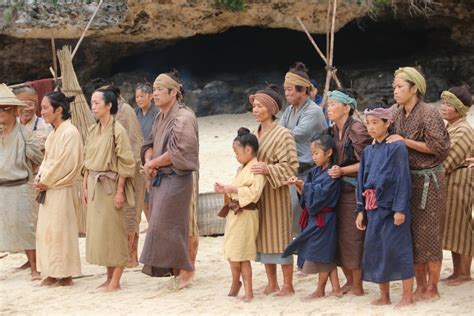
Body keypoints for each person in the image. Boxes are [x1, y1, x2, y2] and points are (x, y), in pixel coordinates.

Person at [388, 66, 450, 300]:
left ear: (414, 89)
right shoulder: (394, 112)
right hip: (405, 180)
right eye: (394, 86)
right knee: (411, 234)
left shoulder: (429, 113)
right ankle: (419, 284)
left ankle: (433, 287)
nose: (395, 91)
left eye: (400, 87)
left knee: (429, 235)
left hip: (428, 181)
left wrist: (405, 141)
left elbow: (440, 148)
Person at [141, 70, 199, 289]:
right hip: (159, 178)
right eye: (153, 90)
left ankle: (186, 269)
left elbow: (179, 151)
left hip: (177, 179)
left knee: (166, 225)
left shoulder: (183, 117)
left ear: (173, 93)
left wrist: (153, 164)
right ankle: (175, 269)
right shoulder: (160, 116)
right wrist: (149, 160)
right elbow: (149, 143)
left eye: (159, 90)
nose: (154, 94)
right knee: (162, 224)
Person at [356, 101, 415, 307]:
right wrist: (360, 210)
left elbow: (402, 179)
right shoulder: (368, 151)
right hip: (372, 208)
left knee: (400, 249)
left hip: (391, 208)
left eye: (375, 122)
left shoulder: (397, 147)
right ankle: (384, 295)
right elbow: (361, 182)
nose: (371, 127)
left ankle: (407, 296)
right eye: (368, 123)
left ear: (387, 122)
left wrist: (400, 209)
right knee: (376, 248)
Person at [82, 88, 136, 292]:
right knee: (102, 233)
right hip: (94, 185)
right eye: (92, 102)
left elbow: (126, 162)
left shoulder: (117, 130)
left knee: (114, 232)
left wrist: (120, 191)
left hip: (111, 186)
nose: (93, 106)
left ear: (108, 105)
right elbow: (86, 160)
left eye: (97, 102)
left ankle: (116, 280)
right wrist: (85, 185)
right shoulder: (92, 130)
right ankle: (108, 276)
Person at [249, 85, 299, 296]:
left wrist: (268, 168)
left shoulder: (283, 134)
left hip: (277, 193)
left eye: (259, 106)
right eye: (254, 106)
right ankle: (272, 283)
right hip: (259, 193)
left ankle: (288, 284)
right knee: (262, 237)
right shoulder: (254, 133)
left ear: (270, 109)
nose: (255, 109)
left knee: (280, 236)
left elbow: (291, 166)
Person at [283, 132, 343, 300]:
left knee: (322, 254)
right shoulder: (315, 171)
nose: (314, 157)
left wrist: (305, 186)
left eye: (317, 153)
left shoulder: (332, 173)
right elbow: (308, 194)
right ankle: (336, 288)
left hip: (325, 218)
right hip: (314, 217)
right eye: (312, 154)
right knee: (325, 253)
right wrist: (299, 186)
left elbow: (322, 194)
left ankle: (320, 289)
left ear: (329, 152)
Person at [92, 79, 145, 268]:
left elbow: (127, 147)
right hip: (117, 172)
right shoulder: (112, 114)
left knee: (131, 213)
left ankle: (131, 256)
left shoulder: (123, 112)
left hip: (131, 168)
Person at [326, 88, 372, 295]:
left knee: (353, 237)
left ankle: (357, 284)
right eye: (328, 104)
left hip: (353, 189)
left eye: (333, 104)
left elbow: (368, 161)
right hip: (336, 188)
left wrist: (343, 170)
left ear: (346, 108)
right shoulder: (332, 130)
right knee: (338, 237)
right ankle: (348, 280)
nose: (329, 108)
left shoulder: (358, 129)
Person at [34, 91, 83, 287]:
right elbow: (47, 160)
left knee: (61, 230)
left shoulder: (70, 133)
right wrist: (40, 177)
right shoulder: (54, 133)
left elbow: (65, 163)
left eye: (45, 108)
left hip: (61, 188)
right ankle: (52, 271)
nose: (42, 111)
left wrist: (45, 179)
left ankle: (65, 274)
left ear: (59, 110)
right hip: (49, 187)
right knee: (47, 231)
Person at [214, 127, 265, 302]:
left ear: (248, 150)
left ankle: (248, 291)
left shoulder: (256, 168)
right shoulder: (242, 168)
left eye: (237, 152)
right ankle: (236, 283)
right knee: (232, 252)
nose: (236, 156)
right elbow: (235, 190)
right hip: (235, 215)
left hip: (247, 215)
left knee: (242, 255)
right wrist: (225, 190)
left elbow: (254, 193)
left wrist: (233, 189)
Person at [0, 83, 43, 280]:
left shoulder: (25, 133)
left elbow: (37, 157)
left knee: (26, 228)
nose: (1, 113)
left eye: (5, 109)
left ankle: (34, 267)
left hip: (19, 185)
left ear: (14, 111)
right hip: (2, 186)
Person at [280, 62, 327, 235]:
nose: (287, 93)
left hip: (310, 171)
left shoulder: (313, 111)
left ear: (302, 90)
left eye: (290, 89)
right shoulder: (290, 109)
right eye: (285, 89)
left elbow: (289, 135)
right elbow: (279, 130)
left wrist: (277, 134)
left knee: (309, 215)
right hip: (294, 170)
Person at [439, 85, 473, 286]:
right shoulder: (451, 127)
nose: (443, 107)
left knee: (462, 227)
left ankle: (464, 273)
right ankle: (457, 271)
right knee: (453, 228)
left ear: (459, 108)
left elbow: (447, 161)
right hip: (451, 184)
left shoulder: (463, 130)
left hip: (460, 184)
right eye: (442, 103)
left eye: (448, 104)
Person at [135, 82, 159, 225]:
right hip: (138, 155)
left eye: (142, 96)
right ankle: (151, 224)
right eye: (136, 96)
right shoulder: (134, 113)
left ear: (150, 96)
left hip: (153, 154)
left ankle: (156, 223)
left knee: (152, 192)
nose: (138, 99)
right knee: (142, 195)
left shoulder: (157, 114)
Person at [14, 86, 53, 152]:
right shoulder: (12, 124)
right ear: (16, 107)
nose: (26, 109)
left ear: (36, 107)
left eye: (30, 105)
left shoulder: (45, 126)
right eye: (22, 105)